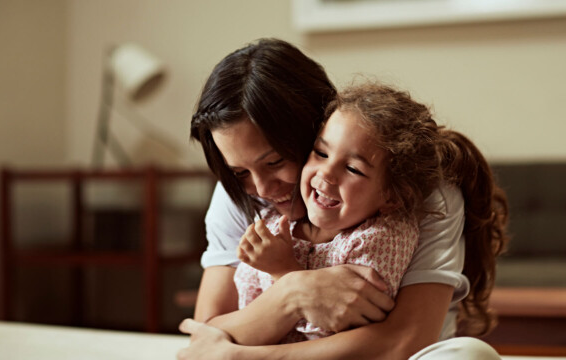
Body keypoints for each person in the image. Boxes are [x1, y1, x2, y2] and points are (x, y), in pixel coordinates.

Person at [179, 38, 509, 359]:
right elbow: (205, 335)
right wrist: (294, 292)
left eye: (275, 162)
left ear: (319, 128)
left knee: (470, 355)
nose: (262, 189)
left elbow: (402, 342)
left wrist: (245, 354)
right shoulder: (238, 192)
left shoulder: (425, 193)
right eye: (239, 172)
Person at [234, 82, 450, 342]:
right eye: (321, 153)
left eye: (353, 169)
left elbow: (341, 330)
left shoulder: (383, 237)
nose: (326, 173)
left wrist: (284, 271)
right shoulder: (275, 222)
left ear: (391, 197)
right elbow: (245, 308)